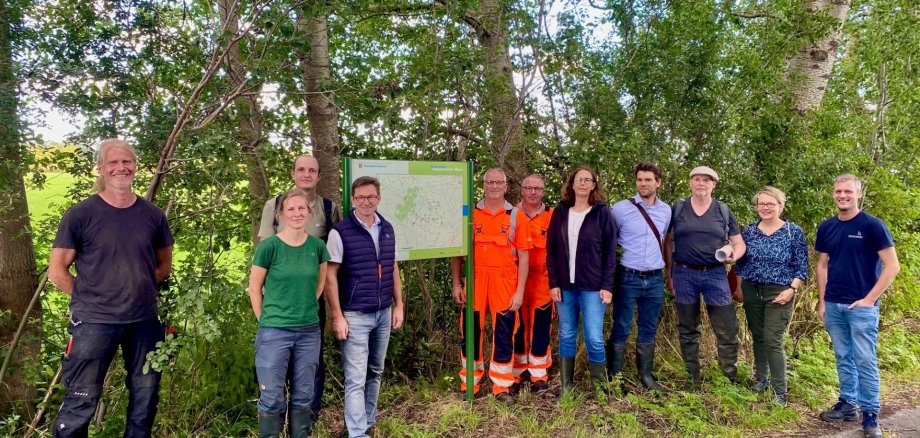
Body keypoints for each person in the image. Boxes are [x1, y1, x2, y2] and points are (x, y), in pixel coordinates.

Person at [49, 139, 174, 437]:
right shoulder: (80, 215)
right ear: (101, 169)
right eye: (113, 163)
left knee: (145, 398)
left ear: (135, 166)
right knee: (81, 399)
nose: (121, 168)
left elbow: (163, 266)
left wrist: (136, 292)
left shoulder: (153, 216)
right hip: (93, 323)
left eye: (126, 162)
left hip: (144, 322)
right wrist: (93, 297)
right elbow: (57, 271)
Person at [257, 155, 341, 418]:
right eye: (301, 169)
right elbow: (263, 253)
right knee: (274, 364)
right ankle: (275, 417)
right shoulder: (275, 205)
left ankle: (309, 417)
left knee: (310, 363)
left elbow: (332, 256)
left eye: (312, 170)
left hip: (310, 300)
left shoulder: (329, 208)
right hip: (278, 303)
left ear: (319, 176)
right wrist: (265, 311)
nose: (307, 174)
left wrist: (315, 297)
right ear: (293, 173)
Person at [815, 174, 899, 438]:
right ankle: (848, 403)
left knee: (865, 359)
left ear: (859, 194)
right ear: (833, 194)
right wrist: (822, 300)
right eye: (838, 191)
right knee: (842, 356)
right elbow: (822, 265)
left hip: (861, 306)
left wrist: (869, 299)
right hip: (833, 304)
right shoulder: (827, 227)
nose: (843, 195)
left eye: (848, 191)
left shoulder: (873, 226)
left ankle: (871, 414)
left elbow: (892, 266)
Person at [325, 177, 404, 438]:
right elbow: (330, 276)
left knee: (375, 372)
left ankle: (368, 422)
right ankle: (357, 433)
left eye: (371, 197)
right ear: (353, 200)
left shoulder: (388, 228)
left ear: (378, 198)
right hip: (355, 314)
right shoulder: (341, 231)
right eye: (360, 197)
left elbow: (392, 267)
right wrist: (338, 316)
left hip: (383, 313)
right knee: (356, 378)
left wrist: (399, 304)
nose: (366, 202)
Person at [248, 189, 330, 437]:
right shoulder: (269, 247)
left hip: (308, 332)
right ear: (282, 214)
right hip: (274, 332)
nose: (297, 213)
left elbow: (319, 286)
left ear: (309, 211)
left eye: (301, 208)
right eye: (291, 209)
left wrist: (301, 307)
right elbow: (254, 288)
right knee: (272, 397)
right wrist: (267, 321)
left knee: (303, 396)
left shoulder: (317, 247)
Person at [451, 168, 531, 405]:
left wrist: (520, 291)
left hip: (506, 283)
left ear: (506, 187)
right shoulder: (470, 214)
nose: (494, 186)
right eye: (490, 182)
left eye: (499, 182)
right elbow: (458, 253)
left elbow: (525, 258)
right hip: (475, 281)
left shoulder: (517, 215)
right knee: (470, 332)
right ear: (483, 185)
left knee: (505, 334)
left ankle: (501, 386)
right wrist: (457, 283)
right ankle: (469, 383)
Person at [664, 165, 746, 387]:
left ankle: (728, 379)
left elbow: (738, 243)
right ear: (690, 183)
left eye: (706, 180)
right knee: (688, 329)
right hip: (683, 274)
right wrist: (668, 274)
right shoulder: (678, 209)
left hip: (715, 274)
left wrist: (733, 256)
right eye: (697, 179)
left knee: (727, 328)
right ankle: (692, 379)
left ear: (713, 184)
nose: (701, 183)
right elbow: (668, 242)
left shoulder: (722, 210)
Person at [546, 166, 617, 395]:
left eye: (588, 180)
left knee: (594, 337)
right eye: (579, 180)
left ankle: (599, 388)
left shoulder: (602, 213)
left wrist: (607, 286)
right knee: (566, 334)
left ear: (594, 185)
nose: (583, 183)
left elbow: (609, 253)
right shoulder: (560, 212)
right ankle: (567, 387)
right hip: (565, 286)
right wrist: (554, 282)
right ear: (572, 184)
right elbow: (552, 250)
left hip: (593, 286)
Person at [734, 187, 809, 406]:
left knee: (772, 339)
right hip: (752, 288)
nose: (765, 208)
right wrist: (738, 288)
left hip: (779, 290)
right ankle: (761, 379)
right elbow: (741, 264)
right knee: (757, 334)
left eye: (770, 204)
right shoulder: (749, 231)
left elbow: (802, 267)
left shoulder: (792, 232)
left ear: (780, 206)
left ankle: (780, 392)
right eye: (761, 204)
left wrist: (792, 289)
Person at [606, 163, 670, 394]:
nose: (643, 184)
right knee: (621, 326)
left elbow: (665, 241)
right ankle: (615, 377)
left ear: (658, 182)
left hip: (654, 279)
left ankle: (645, 375)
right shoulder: (620, 209)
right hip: (627, 276)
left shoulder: (666, 211)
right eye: (640, 180)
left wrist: (668, 276)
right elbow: (609, 243)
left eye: (648, 180)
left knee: (648, 328)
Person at [511, 174, 554, 396]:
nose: (533, 192)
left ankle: (539, 375)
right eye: (529, 188)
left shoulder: (552, 216)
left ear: (543, 191)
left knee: (540, 328)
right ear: (522, 190)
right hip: (514, 280)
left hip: (542, 281)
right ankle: (516, 374)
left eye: (538, 188)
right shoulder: (511, 214)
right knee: (516, 328)